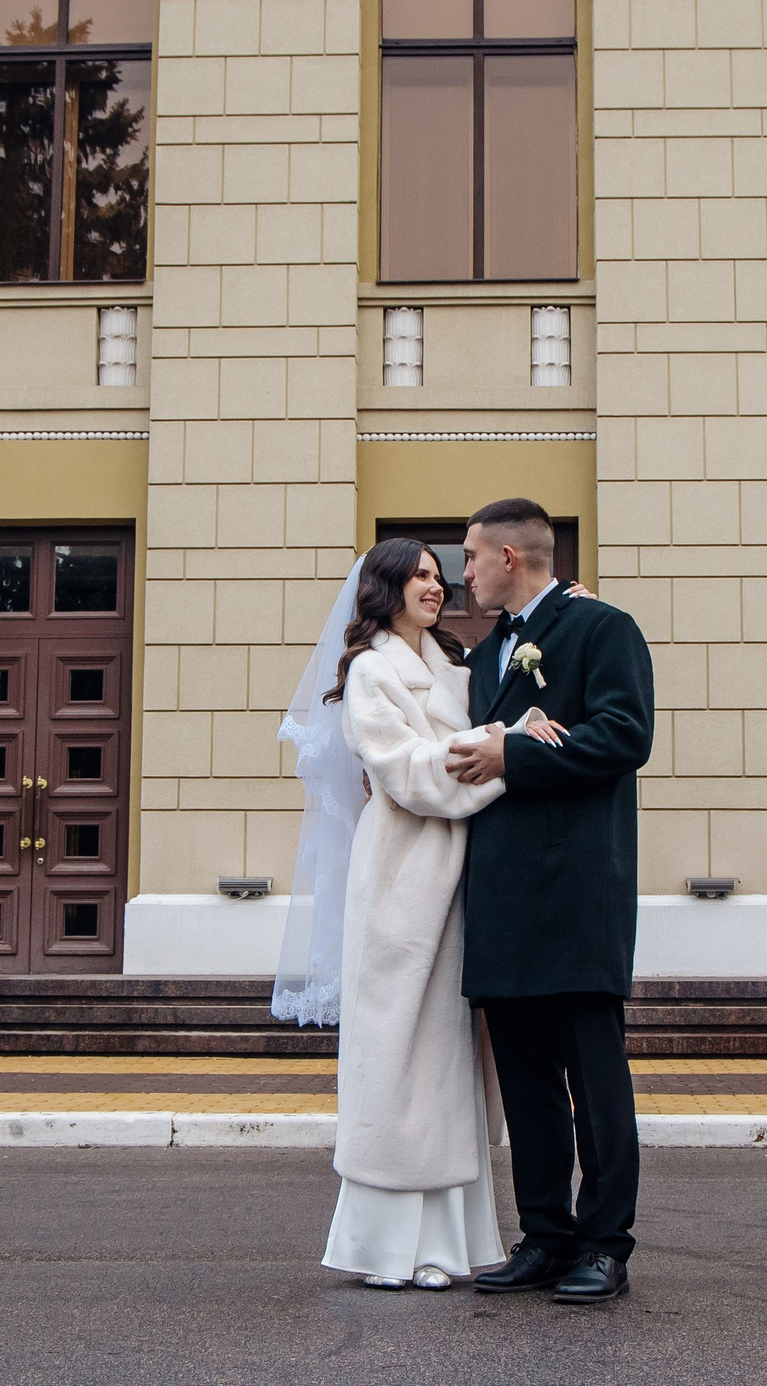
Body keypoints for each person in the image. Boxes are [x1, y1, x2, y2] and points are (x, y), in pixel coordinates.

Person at [270, 538, 565, 1290]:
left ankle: (452, 1240)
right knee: (398, 1057)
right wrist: (503, 746)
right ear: (387, 588)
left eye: (441, 574)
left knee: (451, 1062)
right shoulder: (372, 671)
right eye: (421, 576)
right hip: (402, 880)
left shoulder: (453, 667)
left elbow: (502, 695)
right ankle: (387, 1247)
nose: (437, 586)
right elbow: (405, 772)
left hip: (459, 884)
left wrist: (568, 609)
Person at [446, 497, 655, 1305]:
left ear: (510, 555)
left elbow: (624, 734)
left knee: (594, 1080)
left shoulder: (602, 628)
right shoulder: (488, 648)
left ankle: (604, 1243)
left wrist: (516, 750)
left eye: (469, 557)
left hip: (575, 890)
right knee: (527, 1081)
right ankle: (544, 1234)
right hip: (499, 893)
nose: (463, 573)